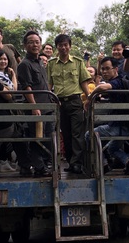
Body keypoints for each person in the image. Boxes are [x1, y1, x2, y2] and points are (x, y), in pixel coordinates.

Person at [47, 34, 91, 174]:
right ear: (57, 47)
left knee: (77, 133)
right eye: (60, 45)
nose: (63, 47)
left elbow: (83, 81)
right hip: (60, 103)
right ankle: (71, 161)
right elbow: (49, 84)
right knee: (65, 134)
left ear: (70, 46)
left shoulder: (78, 62)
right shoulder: (51, 63)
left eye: (66, 45)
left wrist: (89, 98)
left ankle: (77, 163)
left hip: (75, 101)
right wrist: (49, 98)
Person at [84, 57, 129, 175]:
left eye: (107, 68)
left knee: (89, 135)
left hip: (119, 127)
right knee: (112, 148)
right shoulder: (122, 82)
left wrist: (89, 98)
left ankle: (103, 164)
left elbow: (102, 87)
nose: (104, 71)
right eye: (102, 69)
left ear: (116, 69)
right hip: (127, 125)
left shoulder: (117, 82)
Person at [17, 30, 54, 177]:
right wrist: (34, 107)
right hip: (37, 109)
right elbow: (27, 88)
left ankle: (45, 165)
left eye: (37, 42)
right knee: (36, 138)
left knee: (47, 138)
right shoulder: (24, 65)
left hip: (47, 108)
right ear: (25, 45)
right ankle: (39, 168)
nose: (34, 45)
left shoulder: (40, 62)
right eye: (31, 42)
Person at [0, 49, 19, 172]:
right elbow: (13, 92)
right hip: (0, 111)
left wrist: (13, 75)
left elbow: (13, 89)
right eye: (0, 59)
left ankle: (7, 160)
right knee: (7, 134)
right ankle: (3, 161)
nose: (3, 61)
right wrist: (13, 77)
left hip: (6, 110)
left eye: (5, 59)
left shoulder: (4, 74)